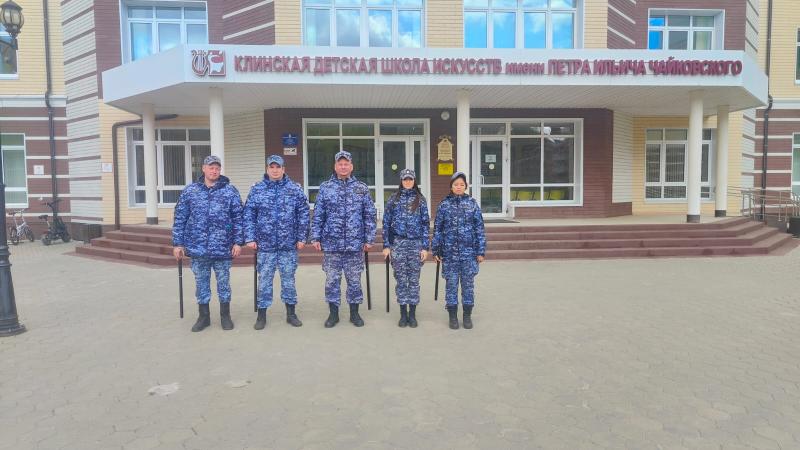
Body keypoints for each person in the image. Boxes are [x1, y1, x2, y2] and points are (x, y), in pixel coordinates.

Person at [172, 155, 244, 332]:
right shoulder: (190, 191)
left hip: (223, 247)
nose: (214, 171)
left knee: (224, 284)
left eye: (217, 168)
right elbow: (180, 218)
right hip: (198, 248)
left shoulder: (230, 191)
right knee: (201, 284)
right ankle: (203, 317)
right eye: (211, 167)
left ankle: (225, 316)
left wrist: (238, 242)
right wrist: (178, 244)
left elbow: (238, 218)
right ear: (203, 169)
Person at [310, 150, 377, 328]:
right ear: (335, 166)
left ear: (351, 166)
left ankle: (355, 313)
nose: (343, 166)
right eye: (340, 164)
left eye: (346, 164)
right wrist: (315, 236)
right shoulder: (326, 187)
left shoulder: (361, 188)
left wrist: (369, 238)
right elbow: (318, 214)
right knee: (332, 280)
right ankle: (333, 314)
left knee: (354, 281)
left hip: (355, 245)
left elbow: (369, 215)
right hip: (331, 244)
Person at [244, 155, 310, 330]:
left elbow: (303, 214)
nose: (275, 170)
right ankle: (261, 315)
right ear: (267, 169)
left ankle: (291, 314)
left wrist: (302, 237)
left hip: (288, 245)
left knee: (288, 280)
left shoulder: (294, 189)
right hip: (265, 246)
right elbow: (249, 214)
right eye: (271, 167)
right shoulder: (257, 189)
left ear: (283, 169)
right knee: (264, 281)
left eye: (278, 167)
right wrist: (250, 237)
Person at [431, 171, 486, 330]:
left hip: (469, 254)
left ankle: (467, 316)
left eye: (462, 184)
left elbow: (479, 229)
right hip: (449, 254)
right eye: (456, 184)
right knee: (451, 286)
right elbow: (438, 229)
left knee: (468, 286)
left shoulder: (472, 204)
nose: (459, 187)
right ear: (451, 186)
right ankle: (453, 317)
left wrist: (480, 251)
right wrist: (436, 250)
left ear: (466, 186)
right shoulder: (444, 205)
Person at [382, 169, 430, 328]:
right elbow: (386, 223)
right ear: (401, 181)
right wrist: (386, 246)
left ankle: (412, 314)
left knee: (414, 280)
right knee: (401, 280)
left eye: (410, 179)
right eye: (405, 179)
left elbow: (425, 224)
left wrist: (425, 247)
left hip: (416, 244)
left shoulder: (420, 199)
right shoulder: (393, 199)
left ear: (414, 181)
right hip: (398, 244)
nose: (408, 182)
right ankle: (403, 314)